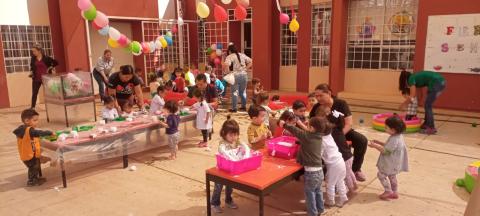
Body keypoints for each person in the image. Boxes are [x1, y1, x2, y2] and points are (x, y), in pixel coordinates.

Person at [309, 83, 368, 182]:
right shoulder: (316, 107)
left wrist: (339, 136)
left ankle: (356, 169)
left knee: (362, 140)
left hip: (341, 130)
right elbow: (311, 123)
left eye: (321, 95)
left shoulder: (341, 104)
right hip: (325, 134)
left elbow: (348, 124)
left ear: (329, 93)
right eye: (316, 96)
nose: (318, 98)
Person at [279, 117, 325, 216]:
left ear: (312, 128)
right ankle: (320, 209)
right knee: (318, 191)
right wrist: (301, 124)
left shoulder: (307, 136)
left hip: (311, 173)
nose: (306, 126)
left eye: (308, 125)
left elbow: (296, 131)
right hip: (320, 170)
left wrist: (284, 125)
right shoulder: (319, 136)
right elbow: (304, 134)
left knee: (310, 193)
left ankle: (312, 213)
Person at [315, 104, 357, 193]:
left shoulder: (330, 131)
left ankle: (351, 189)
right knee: (349, 172)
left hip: (344, 158)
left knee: (347, 175)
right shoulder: (337, 127)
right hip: (348, 155)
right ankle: (355, 185)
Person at [368, 116, 409, 200]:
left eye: (386, 127)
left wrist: (375, 146)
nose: (385, 128)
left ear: (393, 130)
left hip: (390, 163)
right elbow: (390, 146)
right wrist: (379, 142)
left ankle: (388, 191)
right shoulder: (398, 136)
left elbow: (386, 151)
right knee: (392, 176)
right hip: (395, 163)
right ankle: (395, 192)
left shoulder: (394, 139)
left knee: (381, 175)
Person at [13, 109, 54, 186]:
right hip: (30, 155)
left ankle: (35, 178)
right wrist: (49, 132)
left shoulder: (23, 129)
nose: (37, 122)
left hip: (28, 154)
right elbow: (38, 133)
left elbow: (32, 137)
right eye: (35, 120)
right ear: (27, 121)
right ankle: (31, 181)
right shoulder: (29, 130)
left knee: (36, 166)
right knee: (33, 168)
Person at [210, 116, 242, 213]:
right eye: (231, 135)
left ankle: (228, 200)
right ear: (224, 134)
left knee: (230, 186)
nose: (234, 137)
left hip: (231, 169)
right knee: (218, 187)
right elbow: (224, 152)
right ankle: (215, 203)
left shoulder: (236, 141)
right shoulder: (222, 144)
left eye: (236, 135)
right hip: (221, 169)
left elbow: (241, 148)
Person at [399, 70, 445, 134]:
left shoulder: (411, 79)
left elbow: (412, 95)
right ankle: (426, 124)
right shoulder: (416, 79)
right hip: (440, 81)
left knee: (428, 105)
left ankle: (431, 128)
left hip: (437, 82)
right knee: (427, 104)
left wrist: (403, 105)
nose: (407, 86)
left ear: (404, 80)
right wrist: (416, 103)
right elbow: (420, 95)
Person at [317, 117, 348, 207]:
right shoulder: (329, 135)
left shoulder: (322, 141)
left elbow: (319, 154)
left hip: (333, 165)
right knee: (340, 181)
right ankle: (343, 197)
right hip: (340, 161)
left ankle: (330, 201)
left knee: (330, 183)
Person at [223, 43, 252, 112]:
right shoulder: (242, 55)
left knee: (235, 92)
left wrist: (228, 72)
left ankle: (234, 108)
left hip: (235, 75)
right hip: (244, 75)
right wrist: (245, 69)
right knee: (243, 92)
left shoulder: (230, 56)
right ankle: (243, 106)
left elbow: (227, 65)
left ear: (229, 50)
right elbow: (251, 61)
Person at [30, 44, 58, 108]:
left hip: (46, 78)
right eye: (33, 51)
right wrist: (31, 71)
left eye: (34, 51)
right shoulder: (33, 58)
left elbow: (56, 62)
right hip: (36, 79)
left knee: (51, 92)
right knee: (34, 93)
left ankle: (55, 104)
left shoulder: (46, 58)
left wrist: (50, 68)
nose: (33, 53)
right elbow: (32, 66)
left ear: (39, 51)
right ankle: (32, 107)